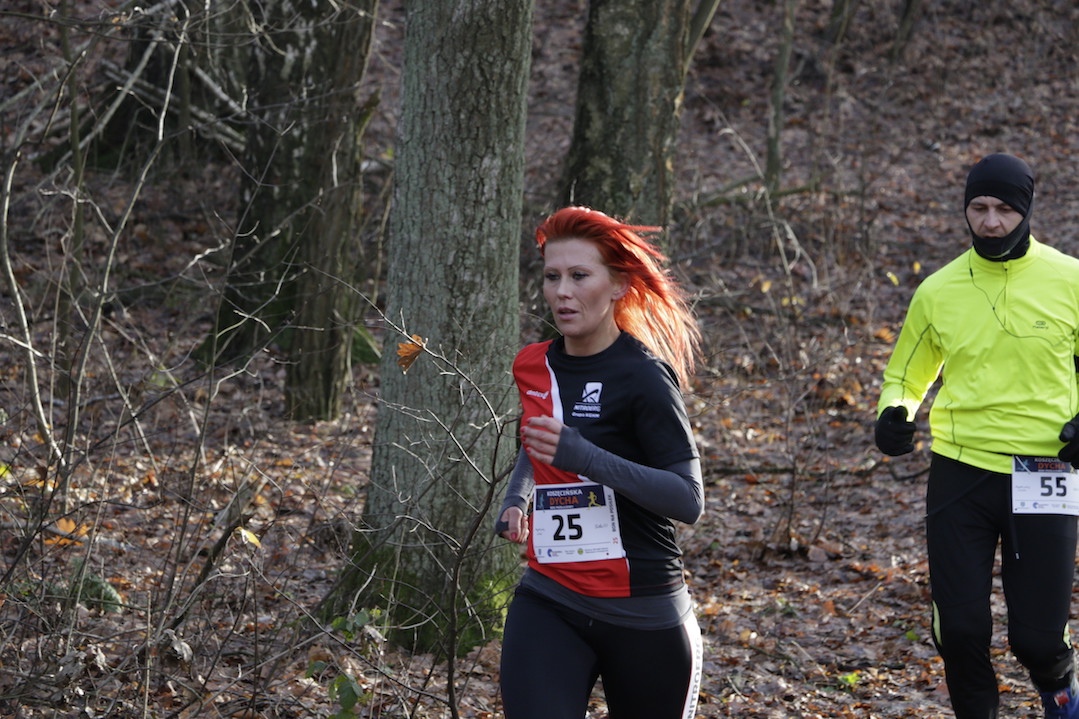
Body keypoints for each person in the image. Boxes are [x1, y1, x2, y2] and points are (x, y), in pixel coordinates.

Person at [875, 152, 1079, 719]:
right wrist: (894, 413)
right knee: (960, 630)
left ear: (1027, 210)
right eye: (979, 208)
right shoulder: (938, 290)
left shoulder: (1070, 280)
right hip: (960, 470)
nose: (990, 222)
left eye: (1004, 210)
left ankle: (1063, 699)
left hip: (1045, 471)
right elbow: (904, 377)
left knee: (1037, 640)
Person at [495, 206, 704, 719]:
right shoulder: (532, 364)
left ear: (618, 285)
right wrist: (517, 497)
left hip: (644, 610)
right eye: (552, 277)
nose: (562, 292)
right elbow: (537, 441)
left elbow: (688, 499)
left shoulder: (644, 377)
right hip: (551, 598)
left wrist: (585, 457)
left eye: (579, 276)